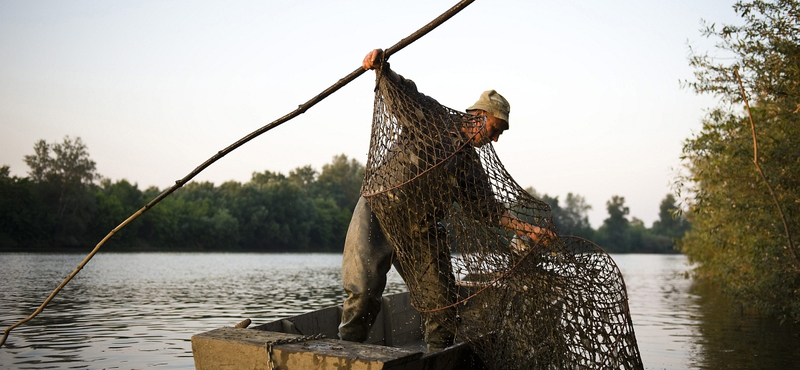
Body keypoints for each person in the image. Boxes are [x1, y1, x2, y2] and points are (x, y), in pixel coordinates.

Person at [339, 49, 553, 351]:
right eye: (496, 130)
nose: (495, 140)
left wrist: (528, 230)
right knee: (363, 293)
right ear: (479, 117)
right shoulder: (434, 117)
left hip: (420, 227)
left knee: (442, 304)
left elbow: (487, 210)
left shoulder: (469, 164)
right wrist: (381, 66)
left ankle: (438, 357)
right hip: (380, 209)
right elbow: (403, 92)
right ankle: (345, 354)